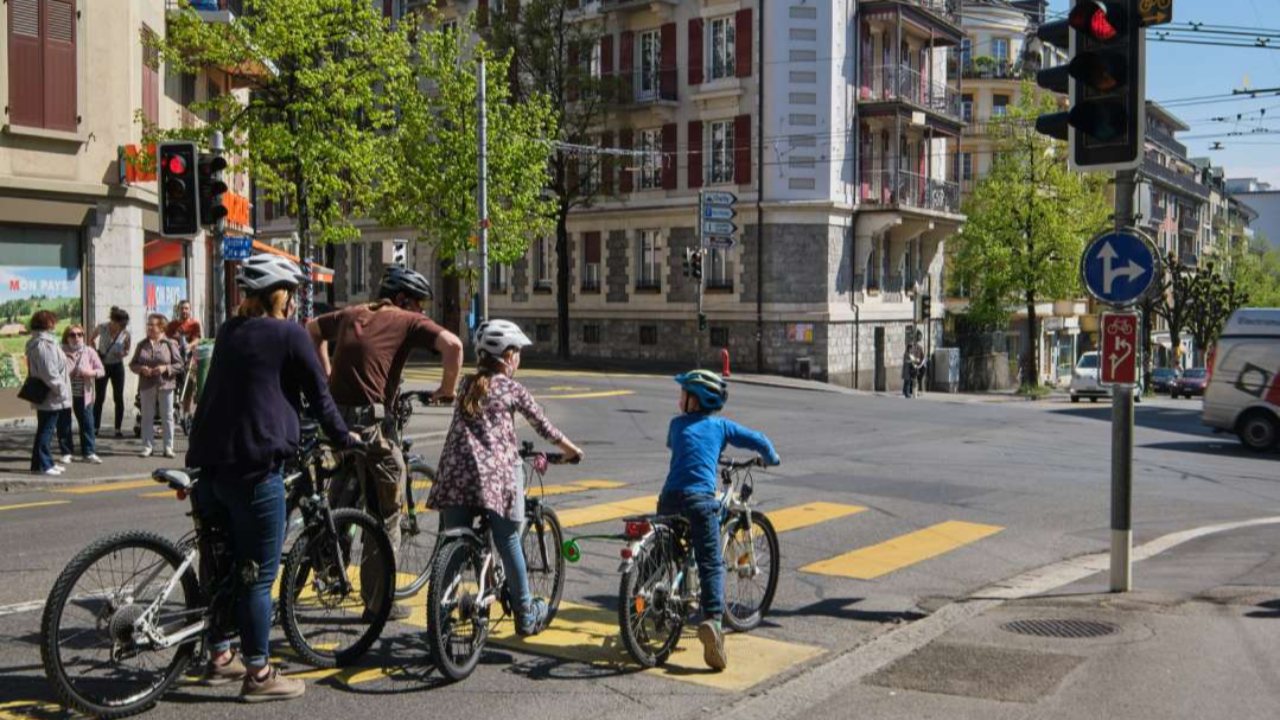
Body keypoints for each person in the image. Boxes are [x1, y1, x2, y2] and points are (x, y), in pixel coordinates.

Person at [186, 254, 356, 702]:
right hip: (255, 467)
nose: (295, 301)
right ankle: (259, 673)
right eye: (292, 293)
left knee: (221, 565)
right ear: (281, 295)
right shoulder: (289, 334)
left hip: (208, 465)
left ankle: (219, 655)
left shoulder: (230, 330)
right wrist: (344, 437)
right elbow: (320, 396)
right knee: (258, 576)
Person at [308, 266, 463, 619]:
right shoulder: (407, 320)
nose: (422, 311)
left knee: (340, 493)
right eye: (420, 303)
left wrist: (328, 374)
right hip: (370, 425)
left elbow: (311, 330)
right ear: (403, 299)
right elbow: (453, 345)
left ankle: (329, 568)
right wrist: (447, 390)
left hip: (334, 420)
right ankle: (379, 603)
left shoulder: (351, 313)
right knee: (386, 511)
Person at [427, 320, 583, 637]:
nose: (519, 358)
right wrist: (571, 450)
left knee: (453, 541)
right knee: (508, 539)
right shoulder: (512, 388)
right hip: (493, 479)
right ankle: (525, 614)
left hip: (454, 475)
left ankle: (440, 621)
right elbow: (543, 426)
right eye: (518, 352)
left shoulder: (467, 384)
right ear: (509, 356)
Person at [663, 370, 780, 672]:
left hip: (668, 499)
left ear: (694, 400)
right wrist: (771, 457)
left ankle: (655, 597)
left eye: (683, 394)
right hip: (699, 501)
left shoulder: (676, 425)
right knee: (712, 562)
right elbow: (758, 440)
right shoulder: (720, 426)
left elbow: (678, 447)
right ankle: (713, 622)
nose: (679, 399)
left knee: (669, 550)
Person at [129, 314, 184, 458]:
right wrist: (141, 369)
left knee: (167, 416)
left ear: (161, 327)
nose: (148, 327)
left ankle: (168, 447)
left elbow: (180, 365)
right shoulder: (142, 344)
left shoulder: (169, 344)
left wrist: (165, 368)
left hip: (165, 384)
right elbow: (132, 364)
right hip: (146, 384)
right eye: (148, 324)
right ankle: (147, 446)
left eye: (152, 325)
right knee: (146, 416)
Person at [25, 311, 72, 476]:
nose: (55, 324)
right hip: (51, 394)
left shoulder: (38, 342)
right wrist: (61, 390)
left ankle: (42, 463)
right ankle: (43, 465)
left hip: (48, 393)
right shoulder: (44, 344)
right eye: (53, 321)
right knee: (46, 430)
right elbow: (49, 373)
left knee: (45, 429)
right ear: (48, 324)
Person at [57, 325, 105, 465]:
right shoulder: (60, 351)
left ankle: (89, 453)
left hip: (84, 394)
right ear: (67, 337)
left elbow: (101, 370)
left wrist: (90, 373)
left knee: (87, 424)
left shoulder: (89, 351)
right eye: (72, 335)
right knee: (64, 424)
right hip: (64, 393)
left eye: (80, 334)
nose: (76, 337)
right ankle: (66, 453)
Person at [89, 307, 131, 437]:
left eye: (124, 324)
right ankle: (95, 427)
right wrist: (95, 353)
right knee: (99, 397)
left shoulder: (125, 333)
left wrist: (123, 353)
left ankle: (118, 429)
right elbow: (91, 339)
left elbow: (127, 349)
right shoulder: (102, 327)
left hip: (117, 367)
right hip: (102, 366)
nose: (122, 327)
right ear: (113, 320)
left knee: (118, 397)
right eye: (121, 324)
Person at [166, 299, 202, 417]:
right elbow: (165, 339)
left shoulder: (194, 324)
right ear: (178, 310)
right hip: (174, 360)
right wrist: (171, 342)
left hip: (189, 360)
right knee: (171, 385)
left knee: (188, 386)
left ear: (190, 310)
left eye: (186, 308)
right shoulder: (172, 325)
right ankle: (172, 411)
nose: (184, 311)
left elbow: (197, 339)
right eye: (182, 308)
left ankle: (186, 414)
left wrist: (189, 346)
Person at [903, 334, 925, 399]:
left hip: (909, 369)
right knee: (908, 381)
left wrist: (917, 361)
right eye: (910, 348)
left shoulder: (909, 353)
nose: (911, 349)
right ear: (909, 349)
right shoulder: (907, 354)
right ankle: (907, 393)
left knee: (907, 381)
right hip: (907, 369)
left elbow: (914, 358)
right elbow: (911, 359)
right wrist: (916, 360)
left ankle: (905, 391)